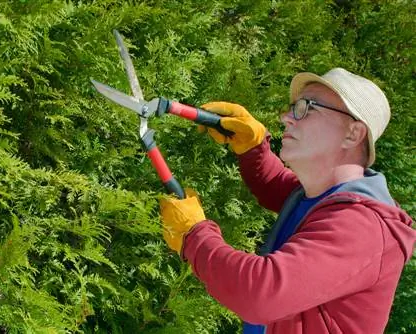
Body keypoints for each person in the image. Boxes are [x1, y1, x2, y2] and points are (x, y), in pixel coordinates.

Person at [159, 68, 416, 333]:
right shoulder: (321, 198)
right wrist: (252, 148)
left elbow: (260, 294)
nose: (286, 118)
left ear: (353, 134)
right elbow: (278, 186)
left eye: (306, 108)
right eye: (293, 107)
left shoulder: (362, 227)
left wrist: (194, 236)